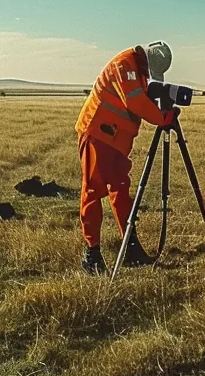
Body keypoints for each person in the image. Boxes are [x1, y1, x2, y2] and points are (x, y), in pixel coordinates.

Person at [73, 41, 175, 274]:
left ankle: (130, 247)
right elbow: (135, 101)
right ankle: (92, 254)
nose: (150, 76)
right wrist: (162, 118)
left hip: (116, 142)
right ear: (147, 60)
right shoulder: (124, 65)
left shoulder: (138, 70)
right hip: (98, 135)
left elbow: (140, 100)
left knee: (120, 191)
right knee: (92, 191)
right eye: (152, 72)